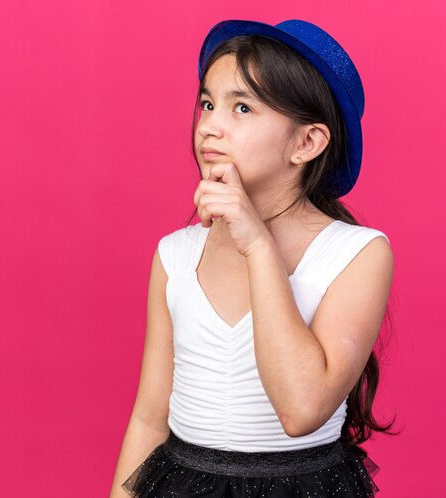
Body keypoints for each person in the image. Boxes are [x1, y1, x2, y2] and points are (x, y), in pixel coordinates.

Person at [110, 18, 397, 498]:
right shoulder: (175, 256)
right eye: (207, 103)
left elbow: (301, 409)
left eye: (242, 107)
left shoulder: (358, 254)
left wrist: (258, 246)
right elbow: (149, 417)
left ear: (306, 143)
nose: (210, 125)